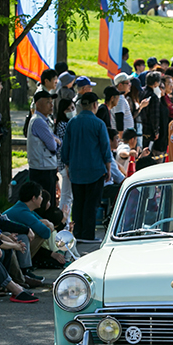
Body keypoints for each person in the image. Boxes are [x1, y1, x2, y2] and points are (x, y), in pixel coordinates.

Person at [61, 92, 112, 241]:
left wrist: (68, 166)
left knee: (78, 203)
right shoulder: (98, 123)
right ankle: (88, 234)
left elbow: (66, 148)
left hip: (76, 170)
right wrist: (108, 168)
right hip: (95, 170)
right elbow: (105, 148)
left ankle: (77, 232)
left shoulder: (72, 122)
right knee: (91, 204)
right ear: (95, 105)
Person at [27, 90, 60, 207]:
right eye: (48, 102)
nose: (51, 105)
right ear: (38, 104)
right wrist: (55, 142)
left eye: (52, 102)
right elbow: (52, 144)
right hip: (42, 169)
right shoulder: (38, 121)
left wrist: (54, 140)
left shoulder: (45, 120)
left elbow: (54, 139)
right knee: (44, 203)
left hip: (46, 167)